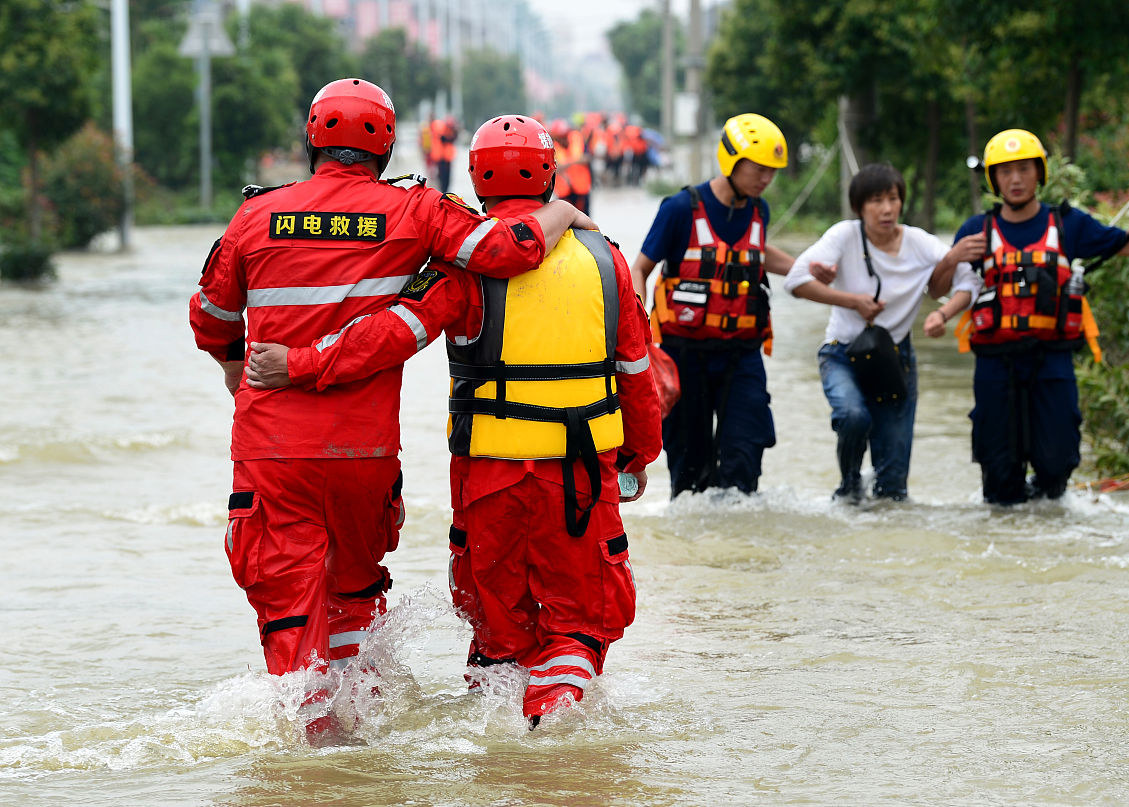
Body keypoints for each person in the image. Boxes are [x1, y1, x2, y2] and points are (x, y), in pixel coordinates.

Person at [188, 79, 591, 743]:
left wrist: (241, 378)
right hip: (363, 456)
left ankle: (315, 739)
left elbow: (210, 317)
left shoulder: (255, 218)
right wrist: (565, 212)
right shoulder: (414, 211)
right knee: (353, 596)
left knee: (291, 605)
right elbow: (505, 251)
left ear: (313, 137)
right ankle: (361, 733)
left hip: (271, 452)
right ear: (386, 144)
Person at [243, 114, 662, 728]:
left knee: (496, 638)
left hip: (487, 483)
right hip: (579, 478)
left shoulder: (460, 268)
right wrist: (638, 457)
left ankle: (500, 752)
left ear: (475, 177)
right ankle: (556, 727)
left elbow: (388, 337)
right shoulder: (608, 262)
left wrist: (301, 363)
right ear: (550, 173)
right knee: (577, 625)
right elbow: (637, 376)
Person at [948, 128, 1129, 505]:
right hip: (995, 365)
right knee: (1000, 481)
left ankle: (1047, 523)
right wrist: (950, 258)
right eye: (1005, 172)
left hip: (1051, 360)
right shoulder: (975, 231)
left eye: (1023, 169)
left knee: (1056, 467)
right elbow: (941, 287)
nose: (1015, 179)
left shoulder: (1069, 224)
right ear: (993, 179)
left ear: (1039, 173)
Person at [630, 113, 804, 497]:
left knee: (745, 456)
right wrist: (639, 332)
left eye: (772, 172)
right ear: (732, 161)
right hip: (684, 354)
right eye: (759, 169)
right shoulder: (679, 209)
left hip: (742, 354)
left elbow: (751, 252)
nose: (766, 179)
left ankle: (736, 549)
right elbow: (640, 268)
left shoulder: (759, 210)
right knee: (691, 470)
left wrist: (804, 268)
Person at [785, 163, 979, 502]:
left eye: (893, 198)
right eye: (876, 200)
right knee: (852, 416)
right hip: (842, 352)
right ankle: (848, 486)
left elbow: (968, 283)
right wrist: (851, 301)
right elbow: (796, 280)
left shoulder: (918, 242)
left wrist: (944, 314)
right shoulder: (844, 236)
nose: (887, 208)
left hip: (895, 361)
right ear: (860, 207)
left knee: (893, 490)